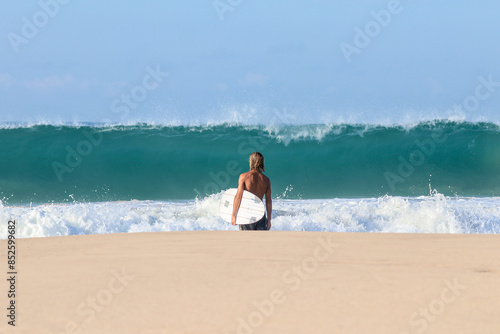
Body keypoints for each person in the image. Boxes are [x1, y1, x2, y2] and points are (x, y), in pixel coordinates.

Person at [231, 152, 272, 230]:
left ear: (251, 162)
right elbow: (268, 201)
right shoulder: (266, 180)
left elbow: (238, 197)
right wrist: (269, 219)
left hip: (247, 213)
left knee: (246, 240)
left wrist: (233, 215)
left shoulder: (244, 177)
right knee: (261, 240)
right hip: (260, 213)